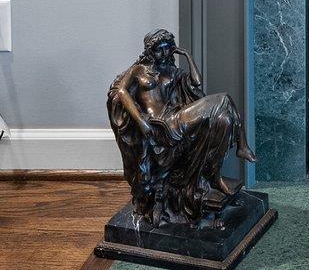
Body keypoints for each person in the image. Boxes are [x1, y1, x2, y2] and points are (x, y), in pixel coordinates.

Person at [107, 29, 256, 228]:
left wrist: (187, 56)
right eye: (159, 49)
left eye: (168, 48)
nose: (164, 53)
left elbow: (196, 82)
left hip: (174, 118)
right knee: (223, 99)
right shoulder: (138, 70)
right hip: (160, 126)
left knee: (223, 116)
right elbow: (121, 91)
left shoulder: (171, 71)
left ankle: (217, 174)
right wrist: (140, 120)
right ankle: (242, 146)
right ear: (150, 51)